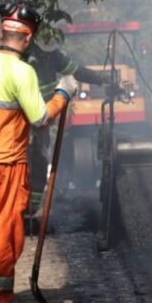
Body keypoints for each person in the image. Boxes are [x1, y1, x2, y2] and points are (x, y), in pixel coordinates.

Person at [0, 2, 78, 303]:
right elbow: (40, 118)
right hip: (6, 166)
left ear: (2, 32)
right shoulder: (22, 72)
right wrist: (63, 94)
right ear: (27, 39)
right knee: (3, 235)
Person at [27, 37, 110, 215]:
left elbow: (76, 71)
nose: (47, 55)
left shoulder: (52, 56)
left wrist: (101, 79)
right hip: (23, 117)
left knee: (40, 160)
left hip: (43, 116)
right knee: (26, 162)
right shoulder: (24, 60)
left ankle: (31, 208)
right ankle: (21, 208)